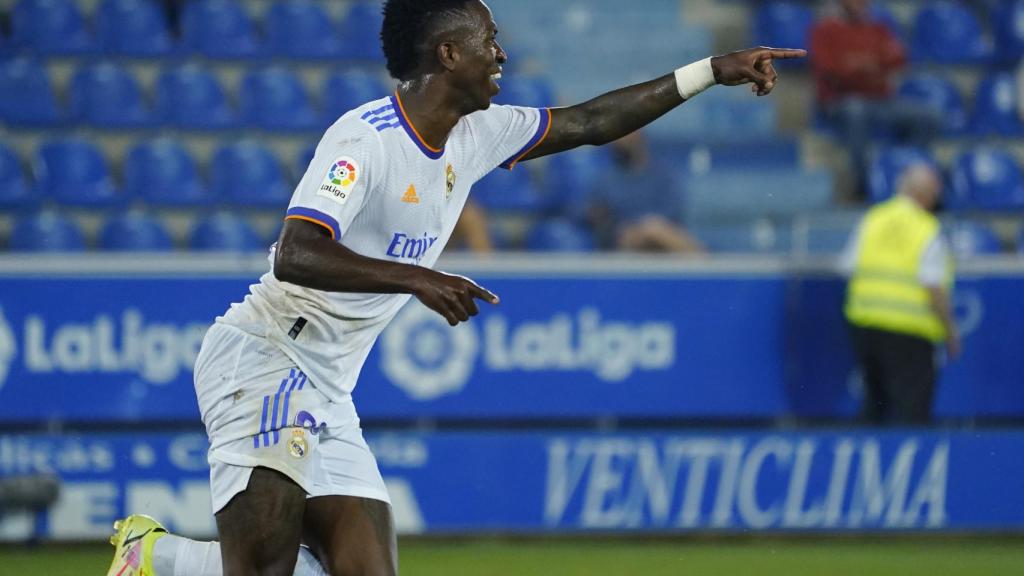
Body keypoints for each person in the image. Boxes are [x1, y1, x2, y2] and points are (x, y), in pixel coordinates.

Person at [106, 1, 804, 575]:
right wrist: (419, 278)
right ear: (448, 54)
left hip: (327, 390)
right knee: (264, 570)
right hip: (266, 360)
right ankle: (156, 557)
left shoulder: (477, 135)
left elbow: (592, 122)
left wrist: (709, 71)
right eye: (489, 40)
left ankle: (162, 560)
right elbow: (297, 252)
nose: (501, 53)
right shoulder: (365, 139)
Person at [841, 163, 960, 425]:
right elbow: (933, 287)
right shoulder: (927, 229)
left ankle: (871, 451)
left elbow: (847, 267)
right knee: (911, 411)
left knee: (874, 405)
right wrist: (950, 331)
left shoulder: (873, 219)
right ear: (926, 195)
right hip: (911, 332)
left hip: (865, 325)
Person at [810, 0, 941, 196]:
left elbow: (898, 58)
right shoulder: (824, 30)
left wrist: (859, 65)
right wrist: (869, 67)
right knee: (856, 112)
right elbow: (832, 69)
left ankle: (902, 168)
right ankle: (863, 184)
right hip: (841, 101)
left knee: (929, 116)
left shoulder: (879, 29)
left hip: (880, 100)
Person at [587, 129, 703, 253]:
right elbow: (600, 221)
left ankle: (702, 261)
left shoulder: (663, 175)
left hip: (662, 239)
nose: (620, 140)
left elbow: (672, 215)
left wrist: (648, 228)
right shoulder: (605, 180)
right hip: (624, 242)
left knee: (655, 228)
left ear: (639, 135)